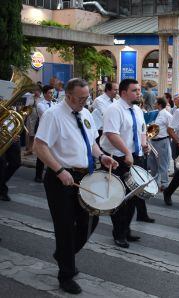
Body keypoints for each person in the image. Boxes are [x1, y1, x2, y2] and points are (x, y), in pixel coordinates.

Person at [33, 78, 117, 294]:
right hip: (60, 178)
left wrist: (102, 156)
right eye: (81, 98)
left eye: (87, 97)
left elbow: (91, 143)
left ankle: (64, 254)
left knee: (91, 220)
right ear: (68, 96)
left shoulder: (85, 113)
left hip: (83, 176)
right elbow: (39, 146)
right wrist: (59, 170)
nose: (85, 101)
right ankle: (66, 274)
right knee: (64, 227)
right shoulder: (53, 115)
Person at [101, 78, 150, 248]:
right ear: (123, 93)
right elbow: (111, 134)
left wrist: (144, 145)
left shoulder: (137, 109)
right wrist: (127, 152)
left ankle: (125, 229)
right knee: (120, 197)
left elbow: (142, 130)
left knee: (134, 197)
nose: (139, 93)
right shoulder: (114, 109)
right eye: (135, 90)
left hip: (134, 156)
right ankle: (119, 233)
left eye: (139, 90)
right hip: (116, 158)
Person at [149, 97, 172, 191]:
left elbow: (171, 128)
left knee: (163, 164)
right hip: (153, 141)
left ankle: (164, 184)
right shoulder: (155, 114)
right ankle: (154, 183)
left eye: (155, 102)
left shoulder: (167, 114)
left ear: (159, 104)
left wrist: (168, 139)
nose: (154, 104)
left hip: (162, 141)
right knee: (153, 164)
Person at [35, 85, 55, 183]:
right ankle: (38, 175)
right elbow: (48, 116)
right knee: (41, 154)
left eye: (53, 93)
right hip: (43, 130)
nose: (52, 95)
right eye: (50, 93)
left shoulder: (54, 104)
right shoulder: (40, 104)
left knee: (53, 153)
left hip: (52, 130)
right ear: (45, 94)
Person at [24, 85, 42, 155]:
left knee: (37, 135)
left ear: (40, 91)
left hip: (38, 118)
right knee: (30, 134)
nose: (35, 92)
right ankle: (30, 149)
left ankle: (37, 149)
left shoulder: (42, 98)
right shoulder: (30, 97)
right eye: (34, 90)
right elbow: (26, 106)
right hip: (30, 117)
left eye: (37, 90)